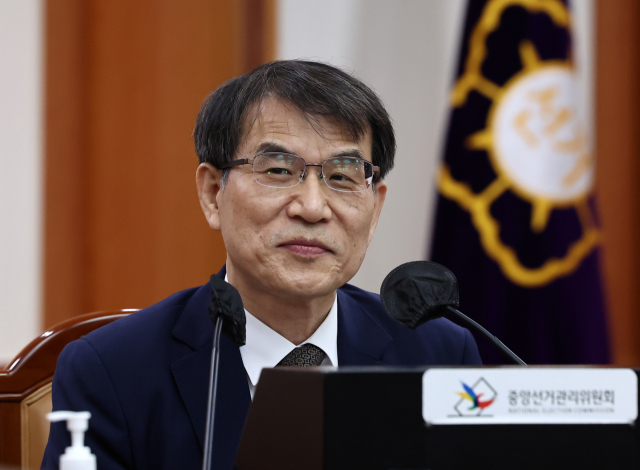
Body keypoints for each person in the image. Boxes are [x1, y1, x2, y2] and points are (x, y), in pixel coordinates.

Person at [42, 60, 481, 470]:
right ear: (212, 193)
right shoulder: (113, 370)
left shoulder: (438, 355)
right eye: (278, 171)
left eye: (342, 177)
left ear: (375, 208)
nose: (312, 207)